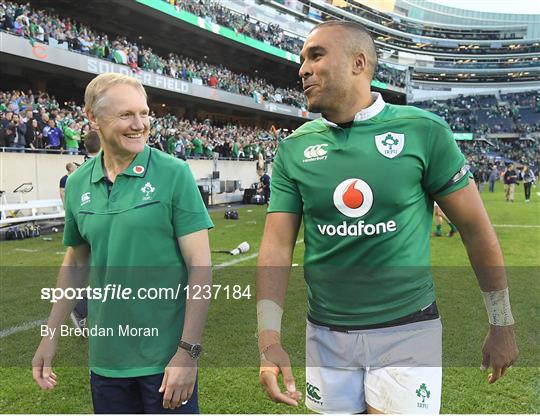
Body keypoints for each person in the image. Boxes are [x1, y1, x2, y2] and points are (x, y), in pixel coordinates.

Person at [256, 21, 518, 414]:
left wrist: (501, 322)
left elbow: (476, 230)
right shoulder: (294, 149)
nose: (302, 69)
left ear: (358, 63)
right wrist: (268, 339)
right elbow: (276, 247)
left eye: (316, 55)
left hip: (408, 331)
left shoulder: (423, 131)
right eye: (301, 60)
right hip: (326, 334)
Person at [32, 73, 214, 414]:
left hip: (166, 361)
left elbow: (200, 268)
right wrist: (50, 333)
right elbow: (76, 262)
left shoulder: (174, 174)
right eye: (126, 115)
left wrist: (188, 353)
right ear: (93, 118)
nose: (140, 125)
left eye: (144, 114)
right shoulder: (76, 184)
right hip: (106, 361)